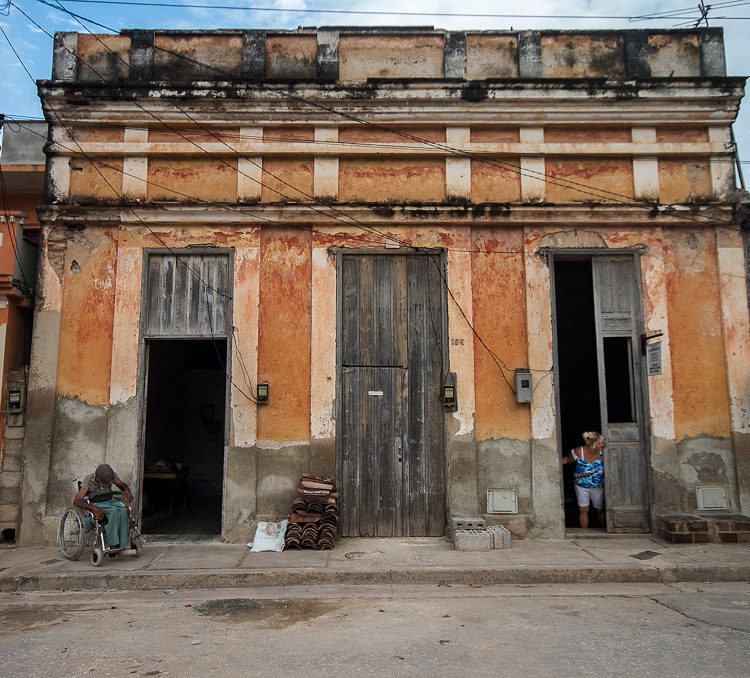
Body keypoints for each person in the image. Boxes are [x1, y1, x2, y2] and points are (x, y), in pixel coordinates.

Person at [73, 463, 137, 556]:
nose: (106, 484)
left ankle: (122, 546)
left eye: (108, 482)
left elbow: (122, 485)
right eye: (104, 483)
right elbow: (77, 501)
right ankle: (114, 545)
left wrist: (127, 490)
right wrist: (94, 508)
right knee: (113, 512)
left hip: (110, 500)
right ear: (97, 478)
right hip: (97, 503)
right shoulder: (88, 480)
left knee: (123, 511)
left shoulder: (111, 476)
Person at [562, 431, 605, 529]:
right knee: (583, 509)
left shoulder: (603, 453)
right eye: (599, 443)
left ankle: (604, 529)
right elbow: (567, 460)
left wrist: (605, 462)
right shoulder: (578, 452)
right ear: (593, 445)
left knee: (599, 510)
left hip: (597, 486)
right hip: (581, 486)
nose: (602, 445)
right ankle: (584, 531)